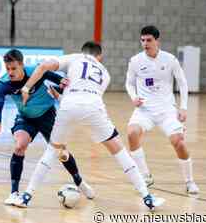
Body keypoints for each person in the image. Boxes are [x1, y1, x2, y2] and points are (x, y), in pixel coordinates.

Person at [16, 41, 165, 210]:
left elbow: (43, 66)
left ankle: (27, 196)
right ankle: (147, 196)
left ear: (83, 52)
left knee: (53, 150)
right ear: (99, 56)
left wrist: (27, 88)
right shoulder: (105, 73)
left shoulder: (75, 58)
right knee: (119, 151)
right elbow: (86, 98)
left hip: (69, 106)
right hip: (94, 109)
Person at [0, 49, 94, 205]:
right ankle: (14, 193)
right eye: (7, 69)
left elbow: (57, 79)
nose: (10, 72)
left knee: (61, 153)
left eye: (14, 68)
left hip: (47, 115)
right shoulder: (3, 84)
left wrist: (62, 83)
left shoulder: (37, 72)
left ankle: (79, 181)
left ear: (22, 65)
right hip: (26, 118)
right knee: (20, 146)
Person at [125, 25, 199, 194]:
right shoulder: (135, 61)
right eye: (142, 40)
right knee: (131, 134)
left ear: (157, 40)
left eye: (149, 40)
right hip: (145, 110)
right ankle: (145, 175)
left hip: (166, 110)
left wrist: (184, 107)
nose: (145, 43)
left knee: (178, 142)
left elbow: (182, 82)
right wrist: (133, 97)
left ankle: (189, 181)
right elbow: (129, 83)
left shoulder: (170, 59)